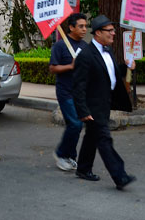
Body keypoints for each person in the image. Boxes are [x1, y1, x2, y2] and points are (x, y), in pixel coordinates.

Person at [71, 15, 136, 189]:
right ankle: (120, 176)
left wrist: (126, 67)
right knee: (104, 139)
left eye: (113, 30)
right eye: (110, 30)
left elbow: (110, 73)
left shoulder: (108, 50)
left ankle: (83, 168)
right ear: (98, 33)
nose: (114, 33)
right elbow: (78, 86)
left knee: (92, 137)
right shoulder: (86, 55)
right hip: (93, 106)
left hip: (105, 102)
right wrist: (83, 111)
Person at [50, 13, 88, 171]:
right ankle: (60, 154)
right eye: (81, 26)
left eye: (85, 26)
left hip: (80, 93)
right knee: (75, 124)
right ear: (71, 27)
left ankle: (70, 156)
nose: (84, 29)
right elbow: (52, 68)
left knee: (78, 126)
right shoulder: (60, 46)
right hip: (65, 92)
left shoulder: (85, 46)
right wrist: (70, 66)